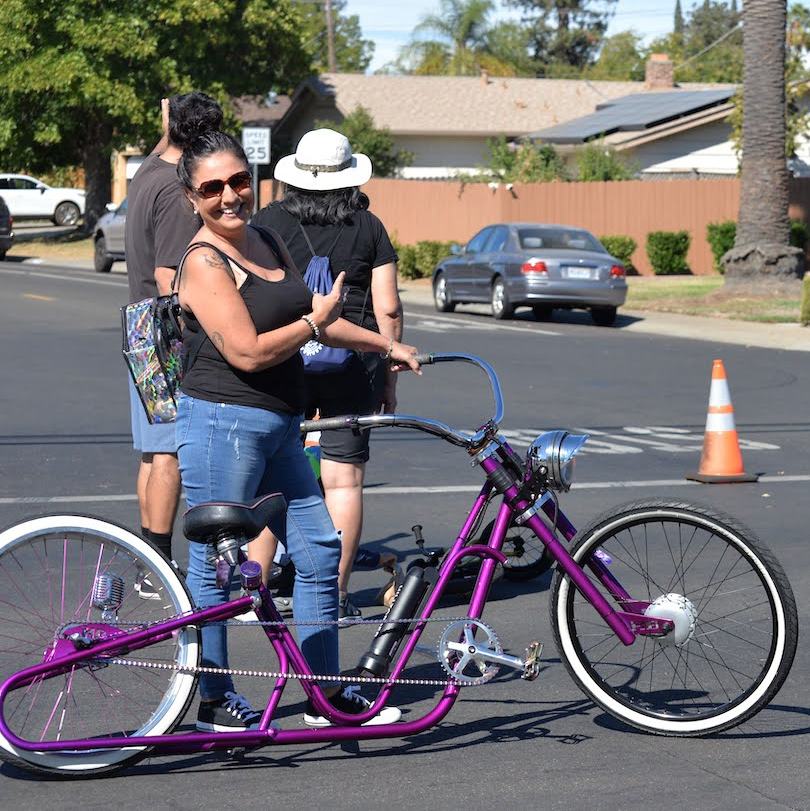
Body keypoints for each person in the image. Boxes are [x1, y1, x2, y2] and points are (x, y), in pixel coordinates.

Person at [174, 129, 421, 732]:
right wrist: (314, 322)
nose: (229, 196)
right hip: (222, 421)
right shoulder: (204, 261)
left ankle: (325, 695)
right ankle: (212, 700)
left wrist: (387, 345)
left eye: (238, 182)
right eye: (212, 187)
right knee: (213, 566)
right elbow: (250, 352)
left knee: (316, 551)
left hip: (281, 423)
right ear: (192, 197)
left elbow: (322, 321)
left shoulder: (265, 239)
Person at [252, 128, 404, 623]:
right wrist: (388, 375)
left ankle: (255, 598)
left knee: (273, 483)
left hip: (281, 358)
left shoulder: (267, 222)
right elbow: (388, 307)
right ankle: (332, 599)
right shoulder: (370, 226)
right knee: (342, 485)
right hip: (352, 364)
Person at [124, 92, 222, 568]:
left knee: (152, 454)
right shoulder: (177, 192)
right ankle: (158, 566)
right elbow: (169, 276)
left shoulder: (148, 170)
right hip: (164, 332)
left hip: (138, 324)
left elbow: (169, 137)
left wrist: (168, 120)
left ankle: (149, 558)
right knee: (169, 456)